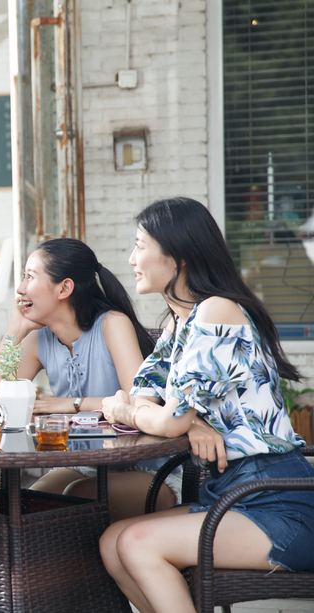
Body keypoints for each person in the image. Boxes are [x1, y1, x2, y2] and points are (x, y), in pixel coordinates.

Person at [100, 197, 314, 613]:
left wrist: (143, 413)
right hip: (227, 493)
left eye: (140, 245)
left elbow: (156, 414)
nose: (131, 258)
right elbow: (146, 395)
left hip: (275, 499)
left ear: (177, 257)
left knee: (137, 543)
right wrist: (187, 421)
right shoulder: (179, 324)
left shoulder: (217, 312)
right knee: (112, 543)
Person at [0, 238, 174, 520]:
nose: (20, 289)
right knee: (26, 503)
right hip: (83, 466)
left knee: (72, 500)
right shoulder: (39, 341)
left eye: (30, 277)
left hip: (147, 469)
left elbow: (136, 403)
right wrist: (14, 330)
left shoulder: (112, 324)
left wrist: (69, 403)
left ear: (64, 288)